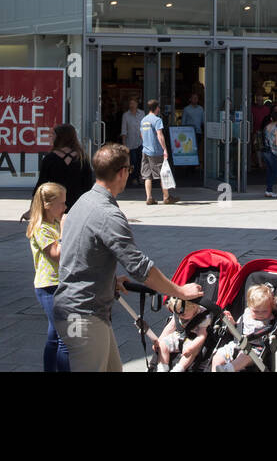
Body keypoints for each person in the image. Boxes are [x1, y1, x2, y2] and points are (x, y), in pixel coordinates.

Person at [52, 144, 203, 372]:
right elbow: (140, 268)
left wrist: (110, 281)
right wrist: (180, 292)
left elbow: (77, 255)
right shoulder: (108, 214)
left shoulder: (83, 201)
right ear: (122, 172)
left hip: (83, 311)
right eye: (130, 169)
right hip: (83, 316)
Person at [27, 182, 70, 372]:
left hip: (58, 284)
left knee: (54, 336)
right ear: (47, 205)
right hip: (49, 286)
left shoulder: (53, 223)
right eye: (61, 203)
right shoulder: (41, 228)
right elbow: (56, 253)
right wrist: (65, 229)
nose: (65, 207)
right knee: (65, 337)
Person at [211, 282, 277, 372]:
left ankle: (228, 369)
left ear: (272, 307)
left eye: (264, 311)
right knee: (218, 355)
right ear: (250, 307)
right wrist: (231, 323)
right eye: (256, 311)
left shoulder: (269, 320)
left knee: (244, 357)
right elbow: (236, 332)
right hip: (236, 345)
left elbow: (270, 333)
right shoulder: (246, 315)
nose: (260, 314)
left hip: (253, 349)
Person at [31, 124, 94, 210]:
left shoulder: (50, 158)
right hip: (78, 203)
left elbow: (41, 184)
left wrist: (32, 208)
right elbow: (88, 184)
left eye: (53, 134)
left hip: (55, 203)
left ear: (60, 137)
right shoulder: (82, 158)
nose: (51, 137)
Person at [156, 296, 211, 372]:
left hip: (193, 340)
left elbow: (202, 336)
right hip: (179, 335)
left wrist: (191, 348)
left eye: (182, 314)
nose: (179, 316)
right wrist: (159, 341)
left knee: (192, 352)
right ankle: (162, 368)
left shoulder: (204, 316)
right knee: (162, 344)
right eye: (176, 313)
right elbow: (171, 326)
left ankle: (179, 368)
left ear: (194, 307)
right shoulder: (180, 311)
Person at [138, 99, 176, 205]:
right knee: (162, 174)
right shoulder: (157, 120)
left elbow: (141, 135)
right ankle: (166, 197)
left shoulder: (143, 120)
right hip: (156, 151)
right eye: (158, 107)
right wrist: (165, 149)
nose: (159, 109)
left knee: (147, 175)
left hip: (145, 150)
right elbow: (160, 135)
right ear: (156, 108)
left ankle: (149, 197)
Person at [121, 97, 144, 188]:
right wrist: (124, 144)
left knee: (141, 160)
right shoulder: (126, 115)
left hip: (141, 141)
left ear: (137, 104)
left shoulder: (142, 113)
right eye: (130, 103)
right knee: (133, 161)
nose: (132, 105)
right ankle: (133, 178)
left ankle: (140, 176)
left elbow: (144, 127)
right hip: (130, 142)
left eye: (133, 103)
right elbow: (124, 129)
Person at [260, 109, 277, 197]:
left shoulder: (266, 127)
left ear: (271, 119)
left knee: (269, 171)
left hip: (265, 151)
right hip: (272, 152)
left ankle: (268, 191)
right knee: (275, 172)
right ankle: (269, 189)